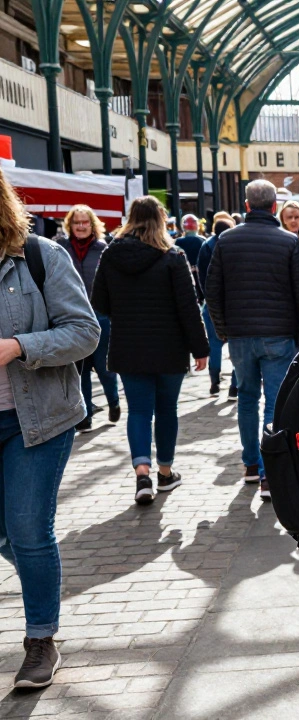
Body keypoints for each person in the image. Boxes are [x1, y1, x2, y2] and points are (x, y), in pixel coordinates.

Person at [0, 169, 101, 688]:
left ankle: (40, 638)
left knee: (27, 528)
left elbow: (84, 332)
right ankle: (45, 580)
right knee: (7, 534)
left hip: (34, 419)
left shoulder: (38, 255)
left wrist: (19, 346)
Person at [92, 196, 209, 505]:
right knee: (167, 410)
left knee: (139, 411)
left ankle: (141, 472)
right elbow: (188, 307)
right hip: (169, 347)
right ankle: (165, 472)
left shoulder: (110, 255)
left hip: (128, 346)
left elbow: (99, 304)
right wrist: (201, 349)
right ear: (160, 220)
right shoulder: (173, 256)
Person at [206, 179, 299, 499]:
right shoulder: (289, 243)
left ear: (248, 206)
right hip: (279, 336)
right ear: (273, 208)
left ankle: (251, 465)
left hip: (240, 335)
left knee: (247, 399)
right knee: (276, 402)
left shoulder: (225, 241)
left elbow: (212, 291)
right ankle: (271, 472)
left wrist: (223, 329)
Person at [57, 205, 120, 431]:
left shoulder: (104, 249)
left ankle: (113, 402)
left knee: (104, 366)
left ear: (92, 224)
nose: (81, 226)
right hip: (71, 317)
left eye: (85, 222)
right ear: (70, 226)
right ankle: (84, 415)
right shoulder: (61, 249)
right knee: (78, 368)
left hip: (100, 315)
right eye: (76, 223)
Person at [197, 219, 236, 397]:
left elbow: (201, 274)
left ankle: (214, 381)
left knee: (214, 344)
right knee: (237, 344)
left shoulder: (207, 246)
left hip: (212, 303)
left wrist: (206, 296)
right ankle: (235, 384)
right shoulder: (233, 244)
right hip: (233, 303)